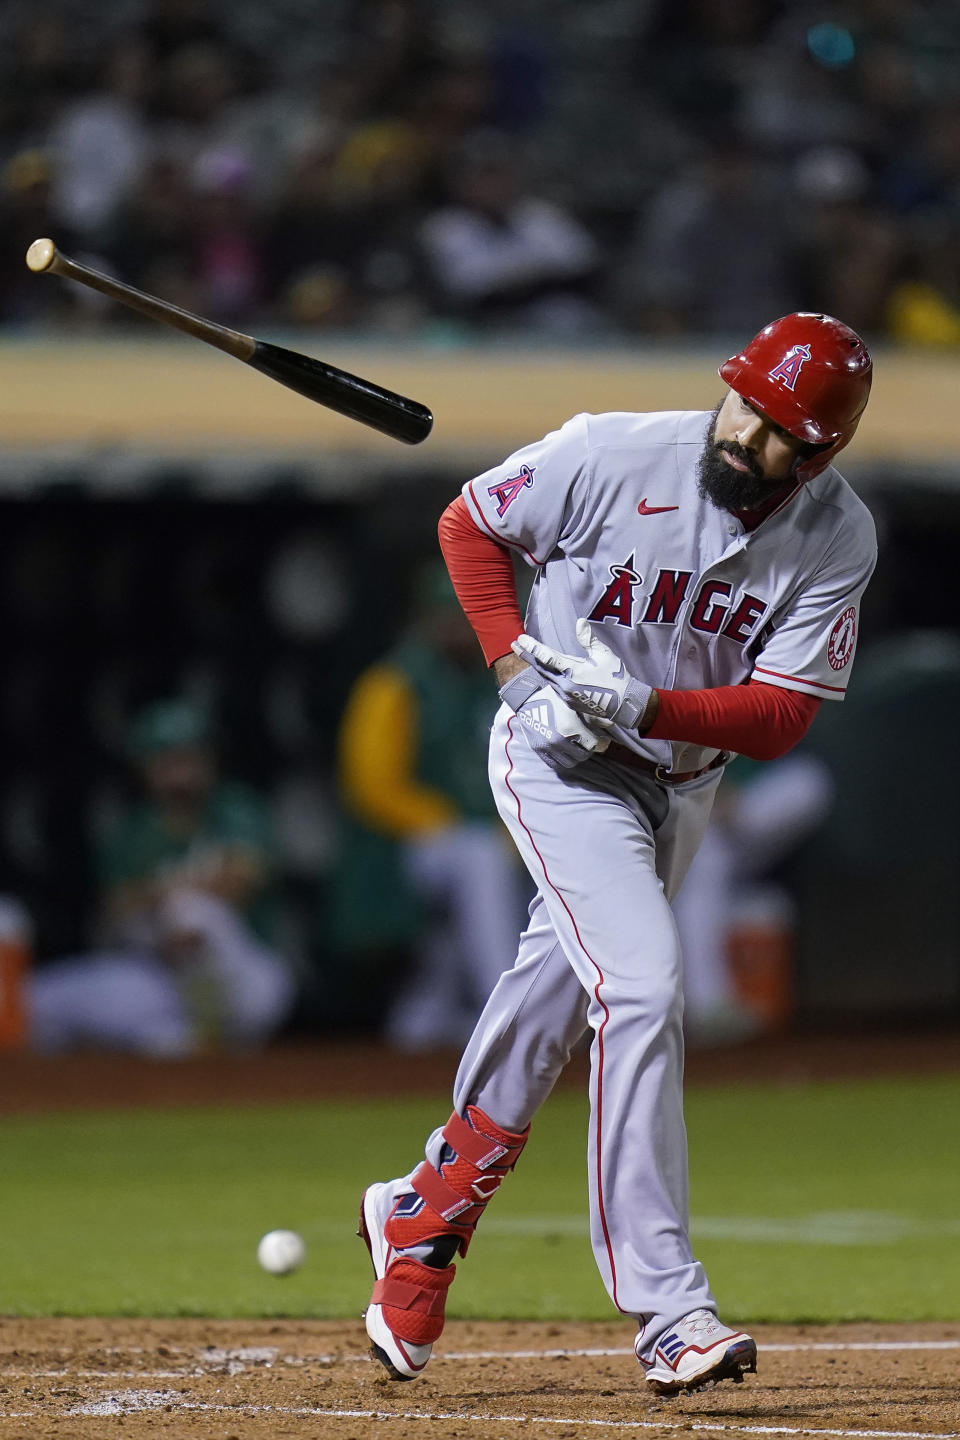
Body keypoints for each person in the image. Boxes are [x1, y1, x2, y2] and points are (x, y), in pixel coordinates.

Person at [357, 312, 875, 1394]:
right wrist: (513, 672)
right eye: (749, 407)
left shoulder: (837, 536)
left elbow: (780, 716)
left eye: (785, 433)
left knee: (553, 999)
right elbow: (470, 526)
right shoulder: (610, 451)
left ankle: (426, 1210)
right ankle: (668, 1309)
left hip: (679, 785)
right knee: (640, 989)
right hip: (559, 762)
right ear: (728, 387)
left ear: (823, 451)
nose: (751, 439)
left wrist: (649, 701)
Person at [28, 699, 294, 1055]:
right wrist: (166, 898)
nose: (180, 771)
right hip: (162, 979)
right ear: (143, 766)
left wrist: (156, 895)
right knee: (37, 999)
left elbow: (236, 884)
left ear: (210, 759)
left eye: (189, 757)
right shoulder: (129, 834)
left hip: (247, 982)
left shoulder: (238, 811)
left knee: (188, 910)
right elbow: (115, 913)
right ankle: (180, 1048)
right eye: (167, 759)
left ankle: (209, 1035)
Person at [335, 563, 528, 1050]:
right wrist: (446, 823)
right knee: (479, 858)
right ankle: (503, 1011)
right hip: (398, 850)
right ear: (427, 618)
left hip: (471, 843)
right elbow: (371, 787)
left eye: (468, 616)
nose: (460, 627)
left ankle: (416, 1035)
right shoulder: (395, 681)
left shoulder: (494, 678)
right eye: (450, 616)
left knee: (445, 956)